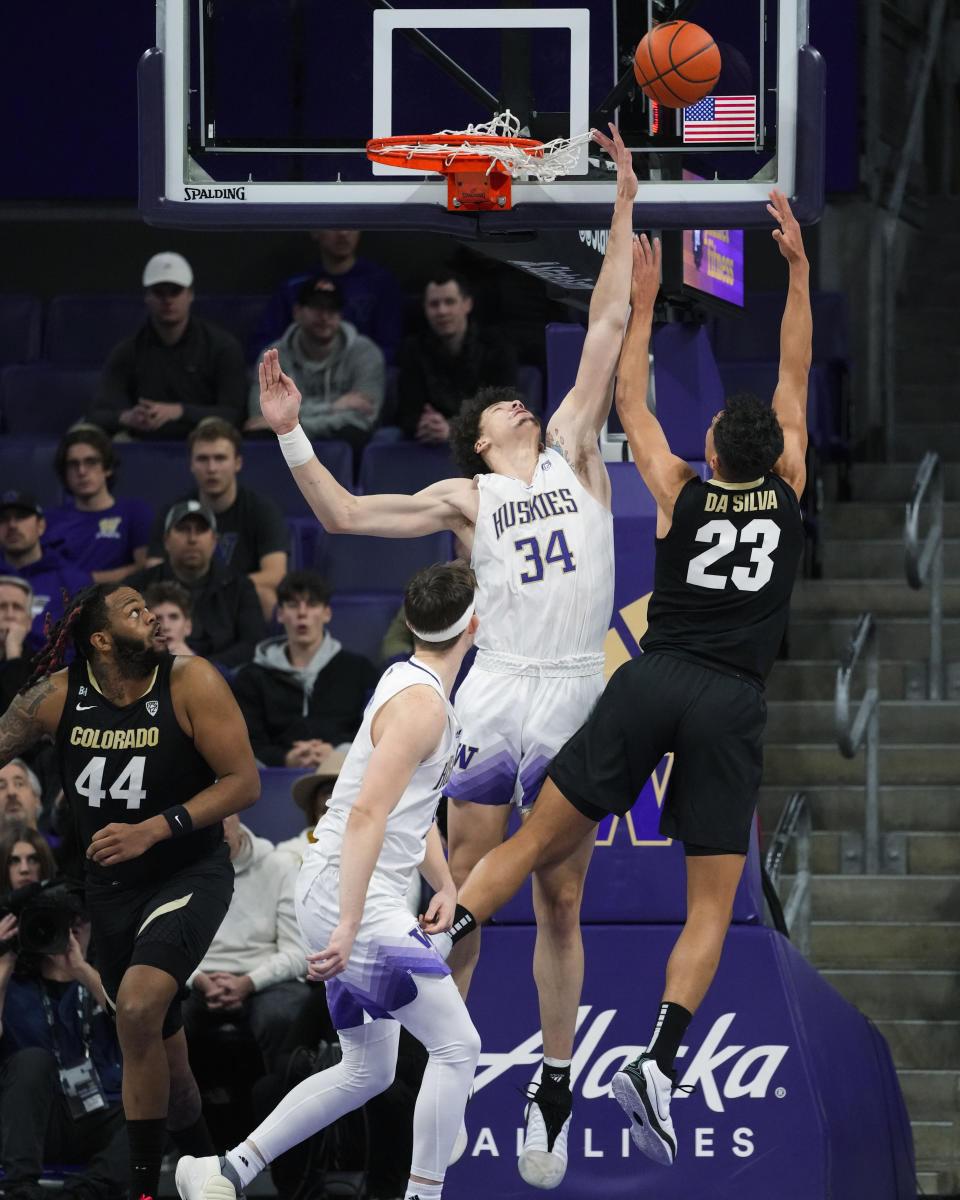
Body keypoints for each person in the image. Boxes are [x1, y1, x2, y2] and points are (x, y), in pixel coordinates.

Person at [254, 124, 637, 1189]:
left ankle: (554, 1090)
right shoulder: (466, 497)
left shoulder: (570, 445)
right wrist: (290, 431)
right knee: (460, 893)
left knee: (559, 900)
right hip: (499, 691)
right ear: (482, 439)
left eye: (526, 397)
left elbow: (609, 316)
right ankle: (437, 1086)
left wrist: (623, 197)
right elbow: (336, 507)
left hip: (575, 694)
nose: (526, 397)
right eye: (507, 403)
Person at [440, 191, 811, 1168]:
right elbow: (795, 372)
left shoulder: (677, 489)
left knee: (536, 841)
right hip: (733, 699)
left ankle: (444, 928)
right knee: (708, 908)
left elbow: (634, 402)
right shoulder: (794, 484)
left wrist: (643, 303)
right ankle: (660, 1056)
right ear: (775, 456)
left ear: (713, 455)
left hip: (655, 681)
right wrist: (801, 274)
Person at [174, 559, 481, 1200]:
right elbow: (368, 811)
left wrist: (446, 882)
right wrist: (347, 923)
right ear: (473, 625)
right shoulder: (422, 706)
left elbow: (406, 805)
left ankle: (226, 1171)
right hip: (355, 898)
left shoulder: (406, 678)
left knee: (367, 1070)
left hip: (341, 891)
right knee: (458, 1048)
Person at [0, 581, 262, 1200]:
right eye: (134, 610)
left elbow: (245, 782)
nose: (151, 616)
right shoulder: (55, 697)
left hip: (187, 873)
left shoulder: (192, 682)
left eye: (150, 608)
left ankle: (143, 1191)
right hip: (111, 893)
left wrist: (155, 827)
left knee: (139, 1007)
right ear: (99, 639)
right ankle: (207, 1170)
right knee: (173, 1078)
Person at [0, 855, 127, 1200]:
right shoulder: (12, 985)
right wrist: (4, 958)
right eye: (57, 922)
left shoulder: (107, 981)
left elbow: (136, 1024)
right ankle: (19, 1190)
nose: (68, 932)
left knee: (149, 1108)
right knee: (31, 1061)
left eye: (79, 921)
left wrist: (81, 970)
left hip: (97, 1112)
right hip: (33, 1122)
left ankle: (82, 1196)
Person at [183, 814, 306, 1074]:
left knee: (280, 1015)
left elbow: (298, 951)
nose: (217, 825)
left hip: (266, 978)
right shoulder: (179, 871)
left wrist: (249, 982)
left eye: (223, 816)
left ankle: (279, 1102)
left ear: (237, 814)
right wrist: (196, 979)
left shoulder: (280, 866)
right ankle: (177, 1109)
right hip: (195, 978)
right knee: (157, 1010)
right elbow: (167, 947)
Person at [89, 252, 247, 439]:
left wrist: (179, 411)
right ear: (147, 296)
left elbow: (234, 414)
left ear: (190, 294)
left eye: (175, 291)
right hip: (143, 440)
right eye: (159, 292)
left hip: (207, 442)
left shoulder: (222, 347)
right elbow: (98, 414)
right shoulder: (127, 351)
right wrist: (127, 417)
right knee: (90, 435)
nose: (167, 300)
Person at [231, 570, 378, 768]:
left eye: (312, 604)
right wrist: (285, 758)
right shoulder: (251, 677)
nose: (302, 613)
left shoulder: (360, 670)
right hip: (273, 776)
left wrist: (336, 752)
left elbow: (373, 732)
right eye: (292, 605)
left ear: (327, 613)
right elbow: (247, 742)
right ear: (280, 614)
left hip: (344, 773)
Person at [146, 418, 289, 621]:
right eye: (203, 459)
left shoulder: (261, 510)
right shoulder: (172, 511)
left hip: (238, 602)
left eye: (220, 458)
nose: (212, 468)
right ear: (191, 464)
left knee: (267, 597)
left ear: (237, 463)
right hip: (183, 604)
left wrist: (215, 586)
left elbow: (275, 575)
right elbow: (154, 572)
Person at [244, 278, 385, 457]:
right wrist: (332, 407)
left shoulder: (365, 353)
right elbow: (261, 415)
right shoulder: (274, 355)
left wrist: (292, 422)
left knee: (353, 435)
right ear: (297, 312)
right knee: (261, 436)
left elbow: (364, 419)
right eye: (317, 308)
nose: (325, 316)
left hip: (340, 438)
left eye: (332, 309)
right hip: (295, 441)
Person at [129, 500, 268, 669]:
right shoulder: (135, 586)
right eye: (183, 529)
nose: (192, 538)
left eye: (201, 530)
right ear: (166, 541)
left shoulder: (240, 586)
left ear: (214, 541)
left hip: (221, 679)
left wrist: (199, 666)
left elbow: (253, 645)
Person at [249, 229, 404, 365]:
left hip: (357, 379)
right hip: (303, 382)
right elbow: (262, 347)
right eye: (334, 224)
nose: (343, 233)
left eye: (352, 223)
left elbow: (391, 348)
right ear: (315, 231)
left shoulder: (380, 284)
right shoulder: (294, 288)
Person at [396, 271, 518, 443]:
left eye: (449, 302)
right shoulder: (413, 349)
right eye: (434, 304)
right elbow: (406, 413)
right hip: (428, 440)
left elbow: (503, 410)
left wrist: (453, 428)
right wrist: (425, 424)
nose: (442, 311)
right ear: (425, 309)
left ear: (467, 304)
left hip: (485, 442)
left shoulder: (496, 346)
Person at [42, 427, 153, 584]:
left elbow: (146, 568)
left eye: (91, 462)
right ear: (64, 473)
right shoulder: (48, 519)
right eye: (73, 464)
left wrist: (86, 581)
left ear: (108, 468)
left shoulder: (135, 512)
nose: (81, 471)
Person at [0, 493, 92, 649]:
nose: (12, 525)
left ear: (41, 526)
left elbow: (85, 647)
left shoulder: (74, 581)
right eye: (3, 518)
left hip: (52, 671)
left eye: (22, 517)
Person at [0, 577, 36, 710]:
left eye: (17, 607)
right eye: (2, 606)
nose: (10, 615)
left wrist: (14, 654)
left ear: (29, 622)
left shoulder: (45, 668)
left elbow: (17, 718)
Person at [142, 581, 195, 657]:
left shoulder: (213, 668)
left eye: (174, 617)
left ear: (188, 626)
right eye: (157, 618)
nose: (166, 626)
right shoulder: (128, 667)